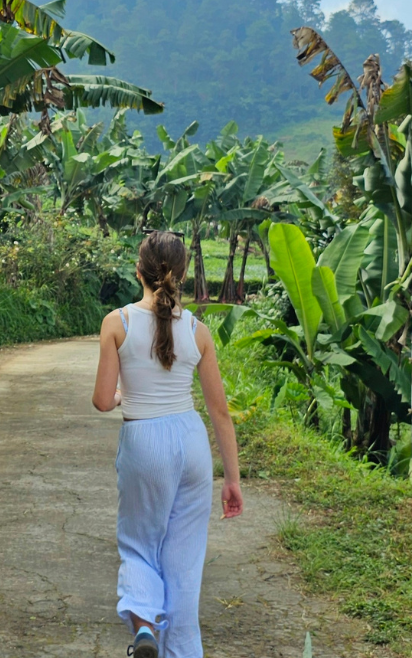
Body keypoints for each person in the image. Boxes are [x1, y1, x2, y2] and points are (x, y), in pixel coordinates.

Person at [92, 230, 244, 658]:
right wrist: (231, 479)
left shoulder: (116, 323)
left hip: (144, 438)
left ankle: (144, 625)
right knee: (184, 560)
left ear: (138, 271)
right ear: (181, 275)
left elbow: (103, 400)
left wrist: (125, 394)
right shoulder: (198, 330)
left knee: (140, 544)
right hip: (190, 440)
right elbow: (221, 413)